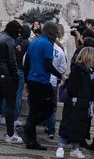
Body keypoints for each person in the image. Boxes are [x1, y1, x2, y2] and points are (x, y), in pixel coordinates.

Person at [21, 20, 63, 150]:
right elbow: (48, 65)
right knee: (49, 109)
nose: (56, 35)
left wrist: (27, 80)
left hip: (32, 80)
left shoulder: (34, 42)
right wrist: (61, 76)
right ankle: (27, 127)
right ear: (51, 32)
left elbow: (26, 62)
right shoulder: (48, 44)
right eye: (56, 32)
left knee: (34, 109)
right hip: (42, 81)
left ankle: (31, 141)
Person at [57, 45, 94, 159]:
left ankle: (75, 148)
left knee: (80, 126)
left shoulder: (91, 72)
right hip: (76, 102)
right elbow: (73, 87)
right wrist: (74, 99)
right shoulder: (78, 69)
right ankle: (61, 146)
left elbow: (93, 89)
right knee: (69, 123)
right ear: (89, 57)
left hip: (85, 103)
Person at [0, 20, 22, 143]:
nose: (18, 35)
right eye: (18, 32)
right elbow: (11, 61)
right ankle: (9, 134)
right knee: (10, 105)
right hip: (8, 76)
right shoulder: (10, 40)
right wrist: (16, 75)